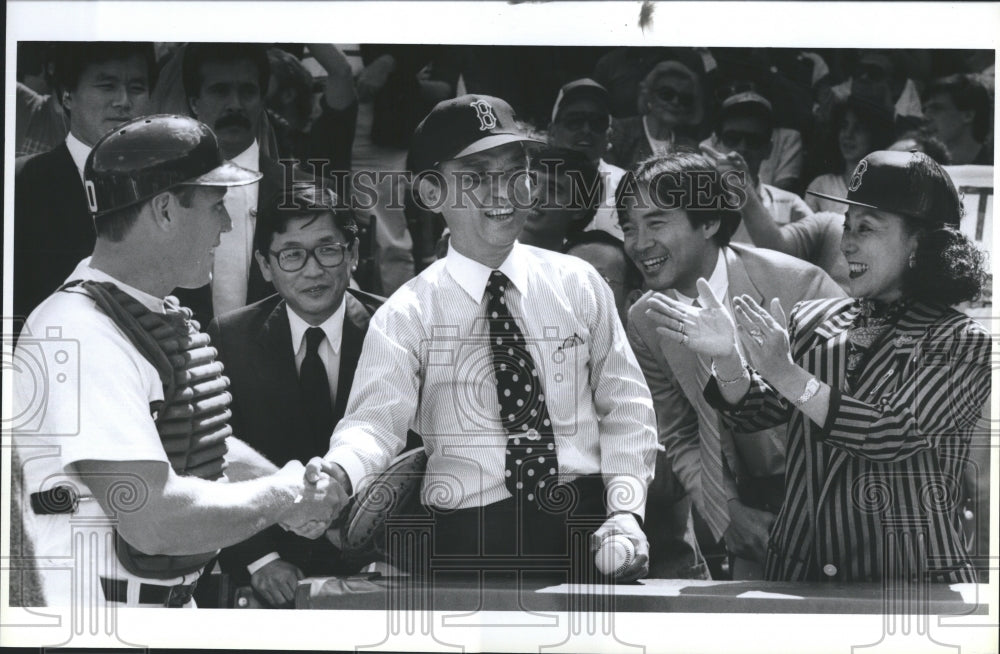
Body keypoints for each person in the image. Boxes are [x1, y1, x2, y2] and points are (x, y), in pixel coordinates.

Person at [306, 95, 658, 581]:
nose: (503, 193)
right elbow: (373, 423)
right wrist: (338, 473)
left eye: (516, 172)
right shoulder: (408, 312)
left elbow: (626, 405)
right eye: (475, 177)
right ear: (431, 193)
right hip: (466, 544)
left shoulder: (579, 283)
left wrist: (625, 511)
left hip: (590, 532)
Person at [11, 115, 343, 608]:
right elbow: (154, 520)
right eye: (215, 206)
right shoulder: (79, 331)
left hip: (163, 607)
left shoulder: (148, 311)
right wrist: (283, 496)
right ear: (165, 210)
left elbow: (198, 440)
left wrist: (293, 488)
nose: (228, 225)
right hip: (90, 619)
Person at [649, 150, 989, 582]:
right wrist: (728, 360)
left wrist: (788, 374)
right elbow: (761, 410)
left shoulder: (960, 340)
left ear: (921, 242)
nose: (847, 242)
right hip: (798, 574)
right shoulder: (816, 319)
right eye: (847, 226)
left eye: (866, 228)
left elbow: (892, 434)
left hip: (906, 582)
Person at [621, 152, 844, 579]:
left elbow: (853, 406)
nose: (638, 242)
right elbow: (680, 431)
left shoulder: (801, 285)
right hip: (748, 518)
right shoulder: (645, 319)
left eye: (656, 222)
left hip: (836, 501)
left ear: (708, 222)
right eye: (629, 227)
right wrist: (729, 514)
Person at [207, 184, 385, 607]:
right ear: (265, 266)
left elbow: (420, 454)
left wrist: (392, 555)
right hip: (271, 575)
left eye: (328, 250)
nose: (312, 270)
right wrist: (259, 560)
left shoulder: (393, 327)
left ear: (353, 253)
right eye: (291, 254)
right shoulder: (231, 339)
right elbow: (214, 458)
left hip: (380, 569)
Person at [15, 41, 156, 326]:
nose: (123, 101)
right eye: (107, 86)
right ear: (67, 95)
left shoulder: (168, 184)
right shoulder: (21, 184)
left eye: (137, 88)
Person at [177, 42, 291, 323]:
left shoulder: (300, 191)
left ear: (263, 100)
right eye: (220, 90)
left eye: (248, 92)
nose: (236, 105)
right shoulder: (160, 191)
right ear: (194, 102)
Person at [704, 87, 812, 241]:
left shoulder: (790, 205)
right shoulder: (693, 201)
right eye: (733, 138)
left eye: (754, 141)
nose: (742, 148)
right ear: (715, 143)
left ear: (768, 149)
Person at [546, 78, 627, 240]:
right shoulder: (531, 182)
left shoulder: (626, 185)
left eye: (597, 122)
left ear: (609, 135)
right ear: (552, 132)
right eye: (574, 121)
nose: (586, 130)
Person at [606, 60, 704, 172]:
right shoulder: (619, 131)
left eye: (685, 99)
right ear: (649, 94)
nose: (675, 102)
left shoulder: (691, 149)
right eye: (667, 94)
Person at [805, 93, 896, 214]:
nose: (848, 134)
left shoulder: (885, 190)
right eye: (844, 126)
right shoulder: (821, 186)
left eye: (858, 128)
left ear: (874, 135)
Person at [922, 74, 994, 166]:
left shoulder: (992, 167)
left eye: (936, 108)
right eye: (925, 110)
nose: (925, 117)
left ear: (968, 116)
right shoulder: (922, 164)